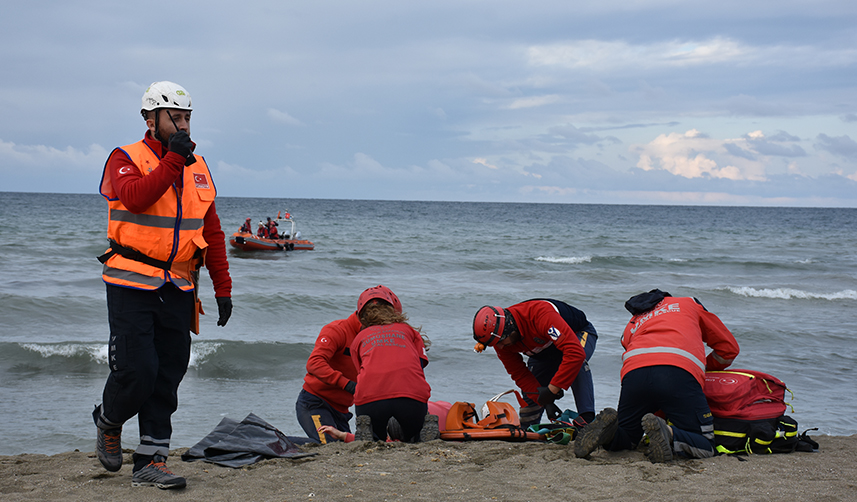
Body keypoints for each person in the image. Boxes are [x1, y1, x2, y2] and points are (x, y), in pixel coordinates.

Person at [94, 81, 233, 489]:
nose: (185, 125)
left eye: (188, 117)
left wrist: (222, 288)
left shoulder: (199, 166)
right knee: (137, 371)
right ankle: (109, 421)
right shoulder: (125, 158)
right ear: (151, 119)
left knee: (167, 375)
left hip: (179, 286)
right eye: (177, 117)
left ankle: (151, 462)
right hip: (130, 282)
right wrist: (172, 161)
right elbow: (136, 198)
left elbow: (214, 232)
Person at [574, 289, 740, 463]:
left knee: (628, 437)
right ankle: (668, 432)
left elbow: (626, 342)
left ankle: (609, 432)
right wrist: (702, 369)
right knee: (706, 444)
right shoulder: (690, 304)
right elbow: (728, 349)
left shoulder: (637, 317)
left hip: (634, 372)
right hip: (678, 372)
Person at [296, 285, 402, 443]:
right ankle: (270, 440)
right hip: (315, 402)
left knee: (348, 447)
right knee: (327, 445)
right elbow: (314, 363)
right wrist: (347, 385)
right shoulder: (337, 330)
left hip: (342, 410)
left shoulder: (376, 338)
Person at [472, 299, 597, 429]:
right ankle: (528, 427)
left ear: (509, 327)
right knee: (532, 390)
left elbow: (575, 353)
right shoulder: (499, 340)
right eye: (495, 344)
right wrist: (545, 402)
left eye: (501, 342)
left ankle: (586, 419)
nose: (500, 347)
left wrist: (553, 389)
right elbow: (519, 374)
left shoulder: (540, 315)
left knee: (577, 362)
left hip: (578, 333)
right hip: (544, 349)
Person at [351, 287, 431, 442]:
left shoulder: (359, 338)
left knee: (375, 435)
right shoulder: (409, 332)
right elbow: (420, 365)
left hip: (370, 400)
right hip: (410, 397)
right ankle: (421, 431)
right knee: (413, 434)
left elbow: (360, 372)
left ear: (361, 316)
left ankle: (370, 433)